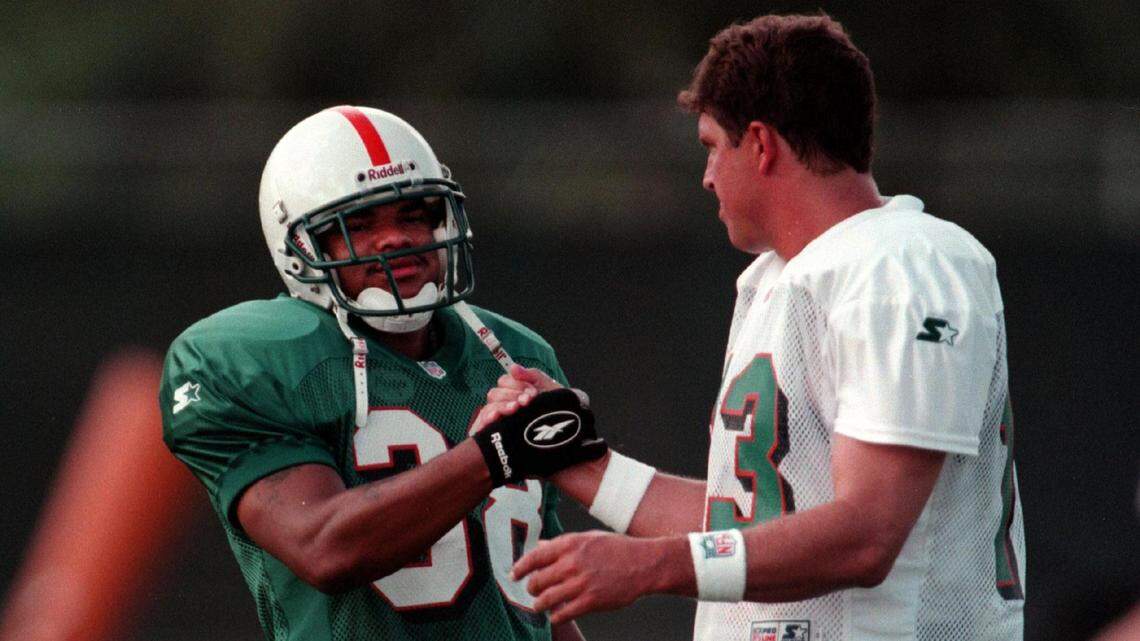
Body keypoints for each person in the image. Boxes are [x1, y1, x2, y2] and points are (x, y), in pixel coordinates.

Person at [492, 14, 1026, 641]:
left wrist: (654, 565)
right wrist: (582, 464)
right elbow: (750, 525)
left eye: (711, 146)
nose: (707, 175)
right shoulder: (783, 279)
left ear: (761, 143)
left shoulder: (899, 266)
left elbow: (867, 536)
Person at [159, 105, 604, 641]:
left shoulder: (513, 354)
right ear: (300, 249)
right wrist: (493, 454)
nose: (395, 239)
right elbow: (323, 546)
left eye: (412, 216)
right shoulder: (250, 358)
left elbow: (535, 596)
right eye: (358, 225)